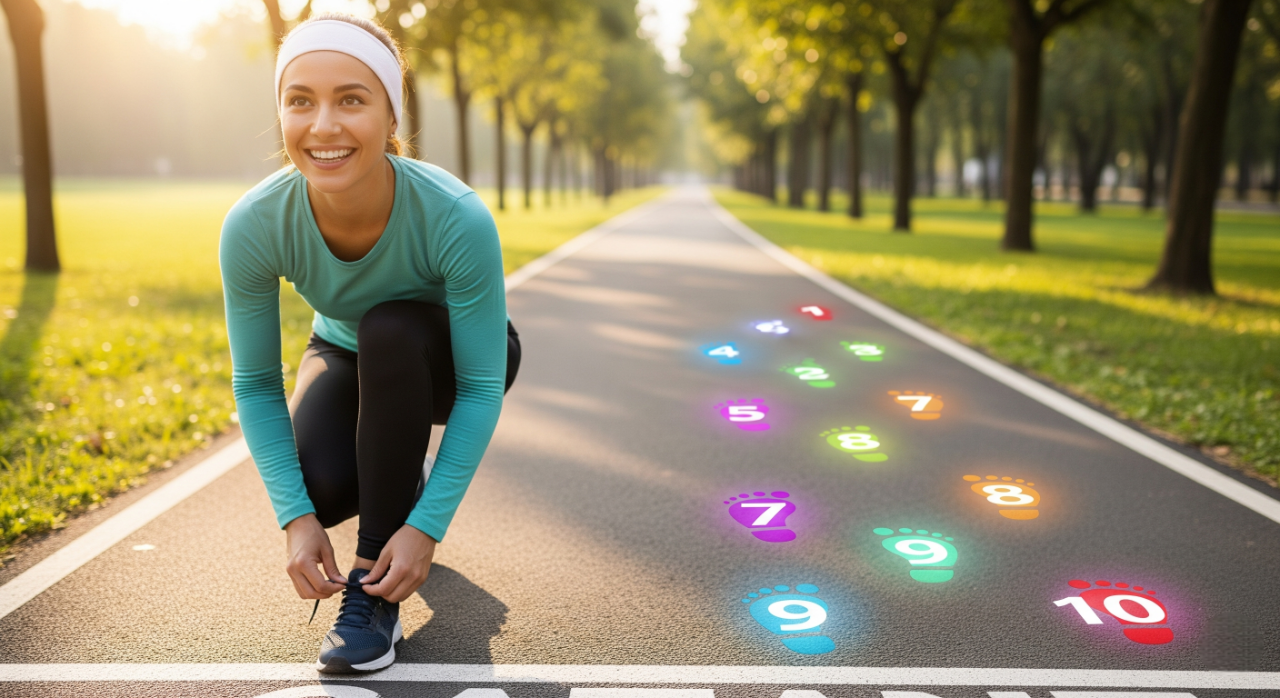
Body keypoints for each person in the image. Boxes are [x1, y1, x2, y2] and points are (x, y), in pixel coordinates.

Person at [219, 13, 519, 674]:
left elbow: (479, 386)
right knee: (319, 487)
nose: (323, 125)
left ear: (390, 115)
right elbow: (256, 383)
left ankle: (372, 597)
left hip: (451, 357)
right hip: (347, 350)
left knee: (391, 326)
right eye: (301, 101)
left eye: (351, 99)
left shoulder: (455, 215)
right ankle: (393, 466)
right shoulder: (254, 224)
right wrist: (295, 519)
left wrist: (424, 528)